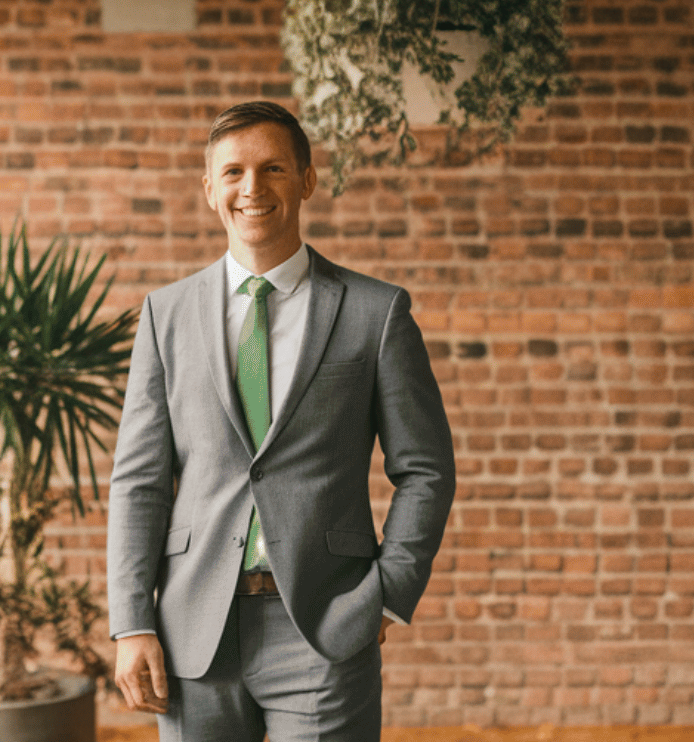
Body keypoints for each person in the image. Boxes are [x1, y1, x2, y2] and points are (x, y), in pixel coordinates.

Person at [106, 101, 456, 741]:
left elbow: (426, 469)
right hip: (194, 629)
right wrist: (132, 623)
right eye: (233, 172)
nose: (253, 188)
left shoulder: (376, 313)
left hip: (324, 625)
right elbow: (140, 481)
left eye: (272, 169)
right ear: (210, 189)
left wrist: (387, 592)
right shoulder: (166, 316)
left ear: (307, 180)